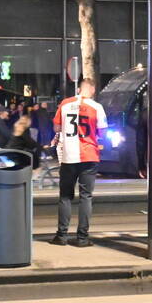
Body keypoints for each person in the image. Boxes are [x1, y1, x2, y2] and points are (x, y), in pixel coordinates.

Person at [49, 78, 108, 247]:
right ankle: (82, 238)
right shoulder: (97, 107)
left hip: (68, 156)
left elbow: (56, 128)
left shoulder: (65, 104)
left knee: (65, 196)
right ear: (92, 90)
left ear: (79, 89)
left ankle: (61, 236)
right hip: (89, 156)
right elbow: (103, 132)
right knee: (86, 197)